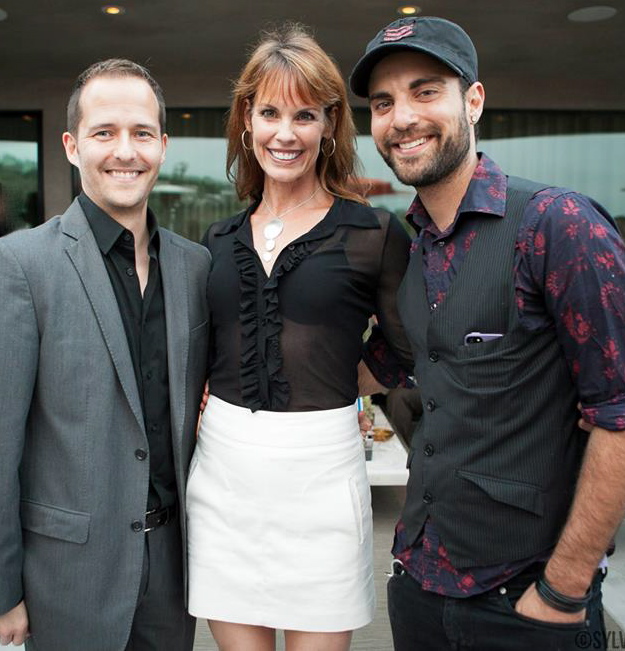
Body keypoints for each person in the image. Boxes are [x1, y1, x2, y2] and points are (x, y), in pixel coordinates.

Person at [349, 16, 625, 651]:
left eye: (425, 91)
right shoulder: (414, 248)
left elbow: (617, 413)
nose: (402, 117)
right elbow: (390, 365)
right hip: (419, 587)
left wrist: (563, 589)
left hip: (524, 602)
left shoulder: (557, 225)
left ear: (473, 101)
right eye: (385, 103)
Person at [186, 24, 413, 651]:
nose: (285, 134)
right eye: (269, 113)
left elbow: (406, 348)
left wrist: (350, 380)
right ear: (246, 120)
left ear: (329, 124)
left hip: (321, 471)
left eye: (304, 115)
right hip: (225, 473)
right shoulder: (216, 241)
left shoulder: (373, 234)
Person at [0, 59, 210, 650]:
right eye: (104, 133)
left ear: (163, 146)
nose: (126, 151)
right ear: (71, 146)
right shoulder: (21, 265)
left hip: (174, 572)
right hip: (66, 577)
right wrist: (3, 589)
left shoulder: (195, 267)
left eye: (142, 133)